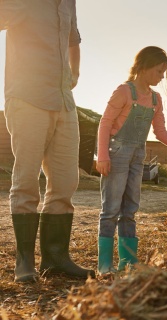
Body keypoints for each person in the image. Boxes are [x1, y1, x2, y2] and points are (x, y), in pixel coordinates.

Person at [1, 0, 94, 283]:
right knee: (27, 178)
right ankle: (25, 260)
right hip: (28, 96)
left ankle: (55, 258)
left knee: (65, 181)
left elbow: (73, 38)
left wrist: (74, 74)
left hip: (64, 101)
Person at [96, 46, 167, 275]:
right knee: (111, 209)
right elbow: (105, 123)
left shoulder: (155, 99)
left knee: (130, 208)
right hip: (117, 154)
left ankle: (128, 262)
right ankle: (104, 265)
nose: (161, 77)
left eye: (163, 72)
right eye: (159, 71)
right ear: (143, 67)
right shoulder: (124, 91)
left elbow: (161, 133)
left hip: (137, 156)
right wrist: (102, 155)